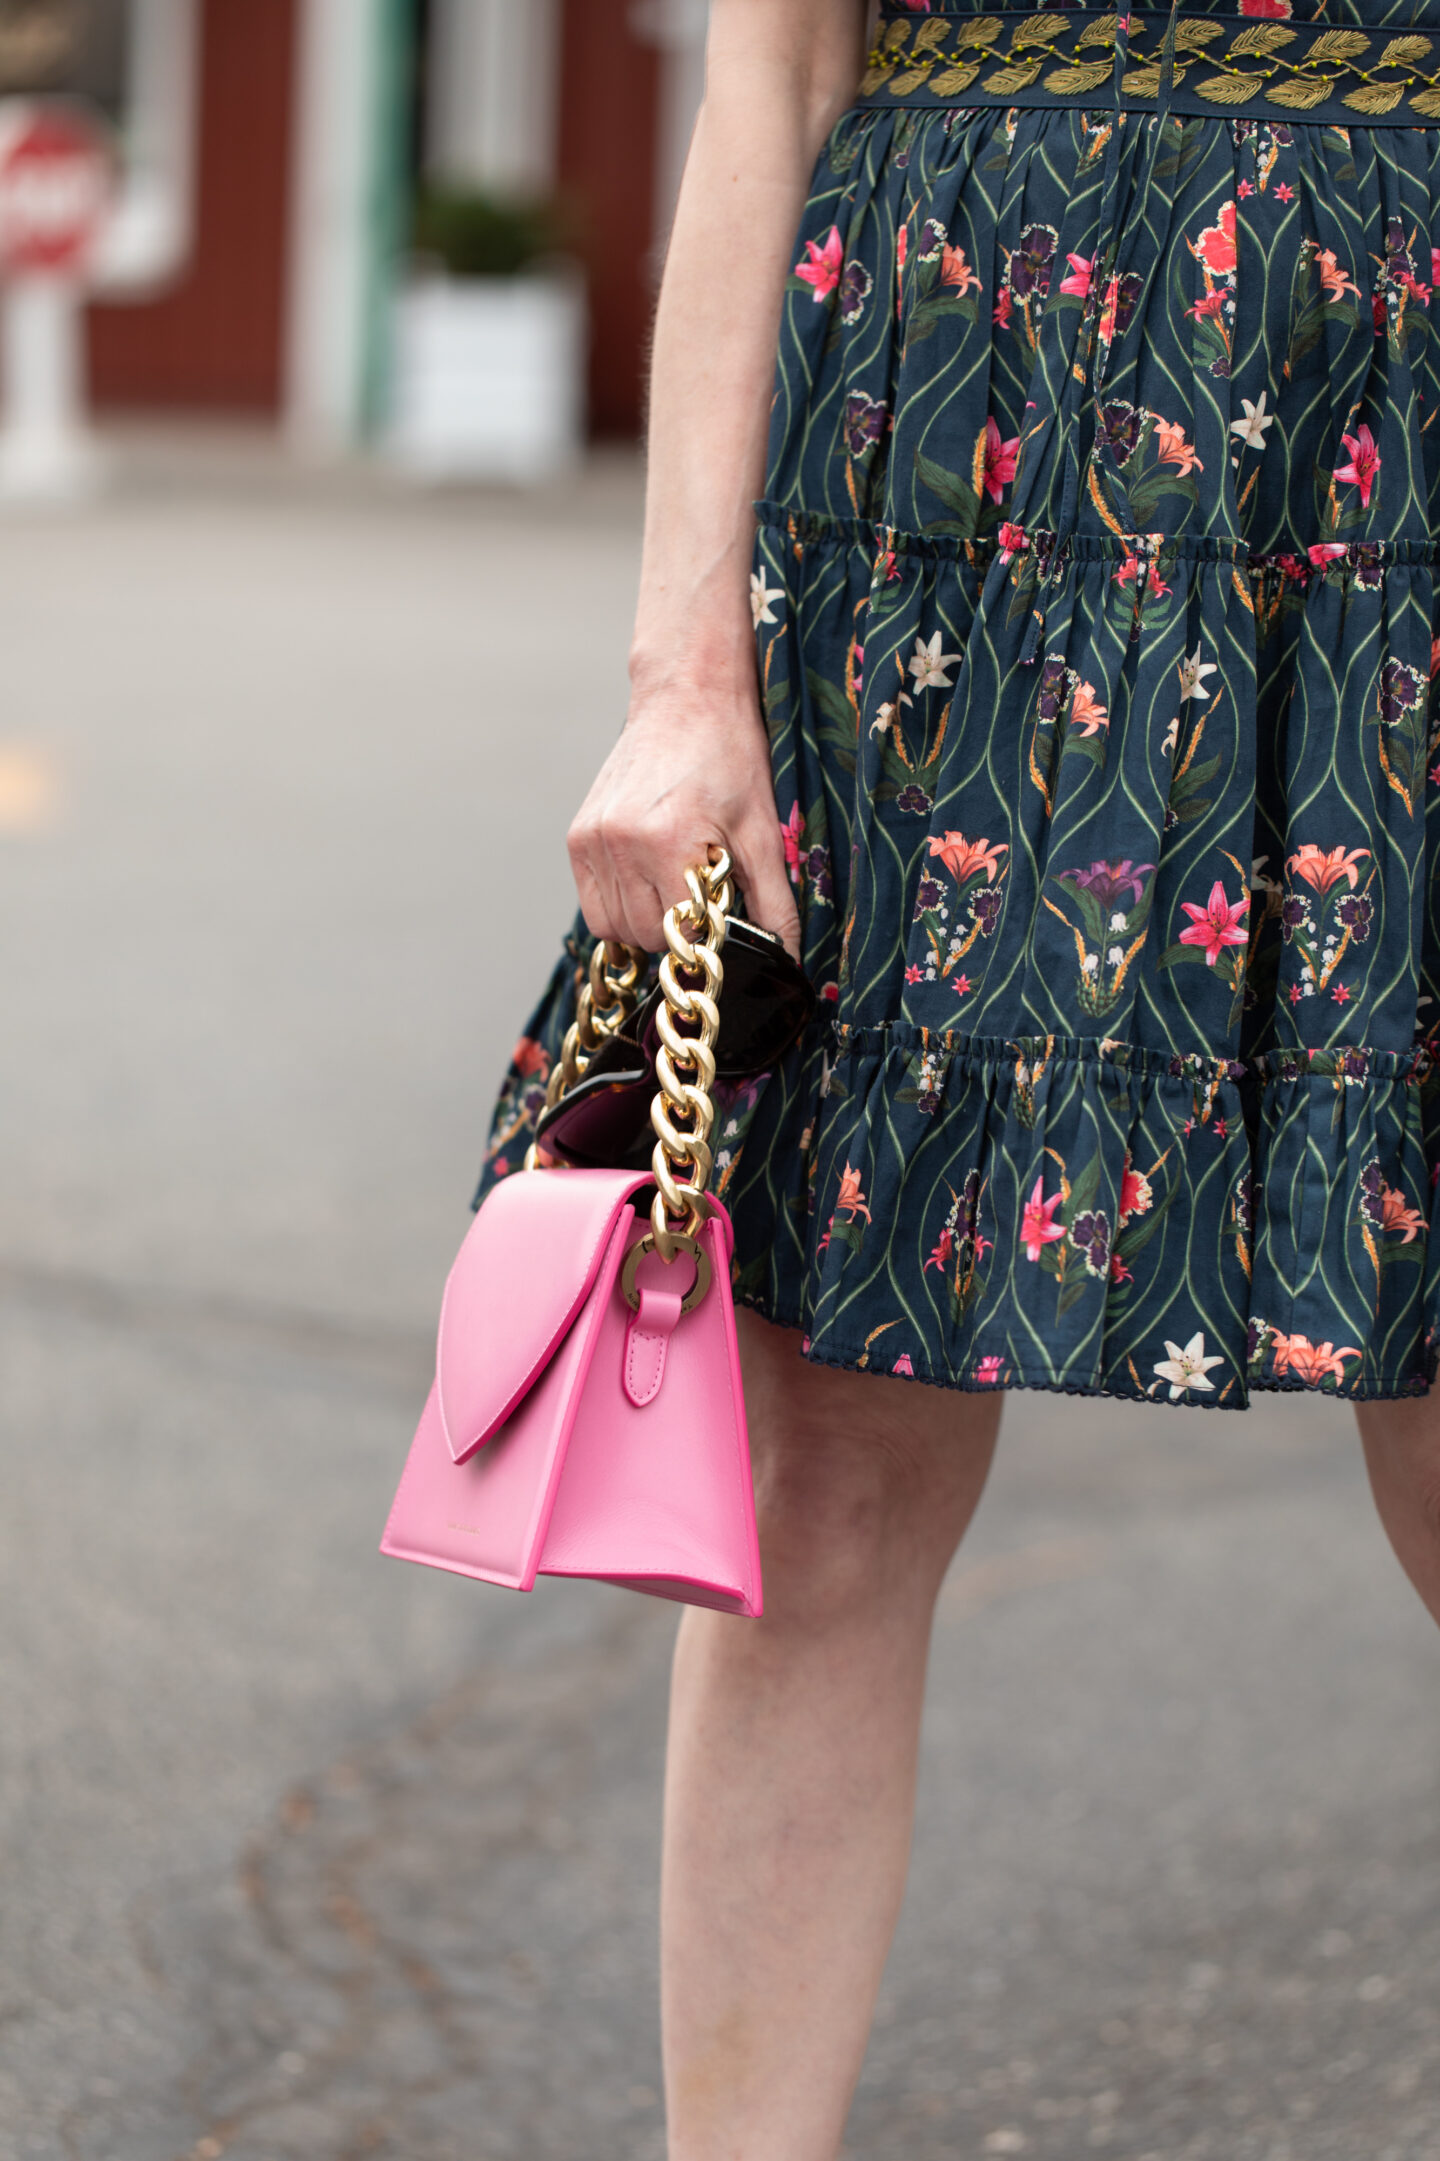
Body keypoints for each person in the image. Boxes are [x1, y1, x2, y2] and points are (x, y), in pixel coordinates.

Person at [478, 1, 1440, 2150]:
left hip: (1407, 468)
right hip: (940, 469)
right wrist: (679, 673)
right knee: (823, 1472)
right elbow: (773, 80)